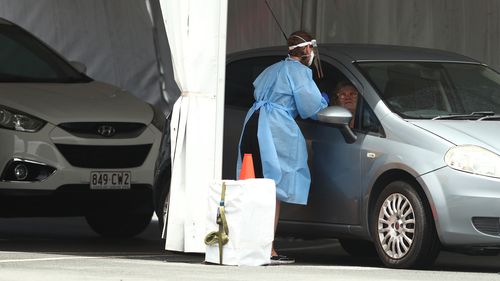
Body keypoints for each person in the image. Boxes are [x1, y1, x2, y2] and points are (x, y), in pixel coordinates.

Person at [237, 30, 328, 264]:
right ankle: (268, 249)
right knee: (271, 189)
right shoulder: (299, 72)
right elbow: (311, 108)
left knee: (253, 187)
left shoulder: (272, 69)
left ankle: (248, 244)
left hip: (252, 123)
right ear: (308, 50)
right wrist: (324, 100)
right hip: (273, 127)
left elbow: (257, 92)